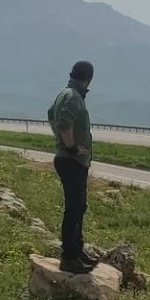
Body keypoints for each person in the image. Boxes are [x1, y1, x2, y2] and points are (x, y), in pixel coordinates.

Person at [48, 60, 96, 274]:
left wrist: (61, 142)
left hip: (68, 160)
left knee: (79, 207)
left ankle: (77, 250)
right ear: (88, 79)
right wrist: (72, 147)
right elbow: (64, 122)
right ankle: (69, 257)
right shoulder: (74, 98)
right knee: (74, 209)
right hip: (72, 161)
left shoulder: (64, 93)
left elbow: (51, 114)